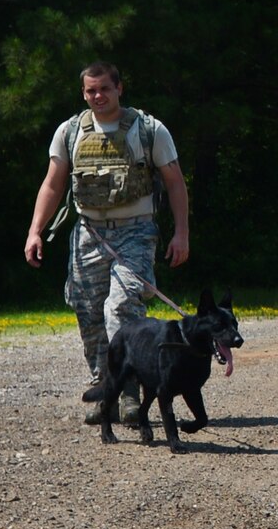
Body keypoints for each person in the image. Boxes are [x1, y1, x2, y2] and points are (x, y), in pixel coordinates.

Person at [24, 63, 191, 420]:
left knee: (121, 308)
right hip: (90, 233)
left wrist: (181, 233)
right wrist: (35, 230)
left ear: (119, 88)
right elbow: (53, 184)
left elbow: (175, 183)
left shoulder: (149, 130)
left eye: (104, 89)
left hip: (135, 232)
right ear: (83, 93)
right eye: (90, 91)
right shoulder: (71, 132)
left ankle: (130, 392)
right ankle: (107, 388)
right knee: (89, 313)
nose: (97, 96)